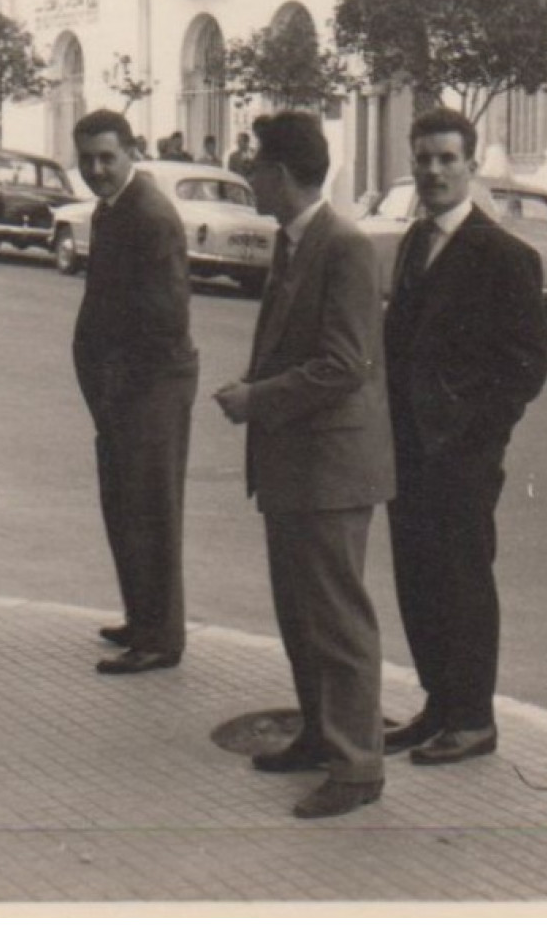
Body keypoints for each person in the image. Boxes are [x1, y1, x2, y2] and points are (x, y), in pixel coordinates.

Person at [214, 111, 393, 820]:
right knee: (300, 612)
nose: (248, 175)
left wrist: (257, 399)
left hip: (331, 466)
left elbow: (345, 364)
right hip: (299, 463)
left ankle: (357, 766)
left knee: (337, 618)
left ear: (282, 175)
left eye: (255, 165)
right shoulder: (298, 240)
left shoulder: (341, 245)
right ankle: (321, 734)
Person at [382, 107, 547, 766]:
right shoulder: (412, 242)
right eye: (422, 158)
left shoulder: (503, 256)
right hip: (405, 451)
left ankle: (474, 718)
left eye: (446, 159)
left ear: (470, 165)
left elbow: (527, 364)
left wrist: (475, 436)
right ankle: (438, 704)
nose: (432, 171)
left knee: (461, 581)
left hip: (460, 457)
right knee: (416, 579)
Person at [72, 110, 199, 674]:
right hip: (123, 387)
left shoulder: (148, 215)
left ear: (131, 153)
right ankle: (141, 617)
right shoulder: (113, 210)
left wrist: (121, 382)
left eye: (107, 157)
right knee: (124, 503)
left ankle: (160, 638)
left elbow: (166, 317)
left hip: (150, 384)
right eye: (88, 159)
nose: (97, 169)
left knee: (149, 507)